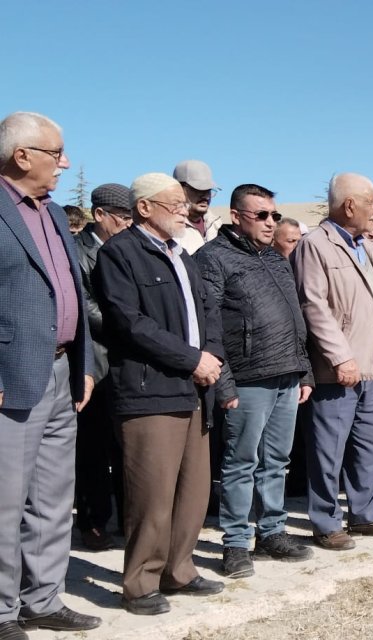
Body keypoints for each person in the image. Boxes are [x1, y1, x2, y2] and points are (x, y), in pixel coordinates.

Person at [94, 172, 226, 615]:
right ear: (144, 207)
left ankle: (179, 570)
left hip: (195, 389)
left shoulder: (180, 254)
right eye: (175, 202)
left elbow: (207, 312)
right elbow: (130, 324)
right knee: (151, 494)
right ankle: (140, 583)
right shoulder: (120, 253)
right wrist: (193, 359)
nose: (184, 209)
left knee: (193, 491)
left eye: (185, 203)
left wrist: (211, 356)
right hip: (150, 391)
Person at [0, 111, 101, 635]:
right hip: (11, 377)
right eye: (55, 152)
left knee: (53, 498)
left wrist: (83, 363)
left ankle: (43, 599)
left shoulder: (55, 214)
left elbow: (72, 293)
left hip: (63, 373)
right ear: (22, 156)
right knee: (4, 501)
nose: (64, 162)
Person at [195, 184, 315, 578]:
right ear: (236, 216)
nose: (270, 222)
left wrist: (305, 370)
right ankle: (234, 543)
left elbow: (296, 318)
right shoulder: (213, 259)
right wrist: (224, 384)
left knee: (277, 461)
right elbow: (208, 326)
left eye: (274, 215)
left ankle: (272, 532)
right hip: (246, 379)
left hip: (286, 374)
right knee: (240, 462)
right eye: (261, 215)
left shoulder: (277, 259)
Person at [293, 173, 373, 549]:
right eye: (371, 202)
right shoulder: (315, 245)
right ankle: (326, 522)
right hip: (337, 371)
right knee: (329, 448)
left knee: (371, 446)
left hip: (372, 366)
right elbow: (314, 305)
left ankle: (366, 514)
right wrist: (341, 357)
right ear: (349, 205)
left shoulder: (367, 247)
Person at [72, 183, 132, 553]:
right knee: (92, 447)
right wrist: (128, 325)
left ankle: (130, 516)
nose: (128, 224)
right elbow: (84, 306)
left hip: (129, 360)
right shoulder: (78, 252)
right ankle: (93, 521)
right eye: (122, 218)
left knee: (127, 445)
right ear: (99, 215)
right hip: (96, 359)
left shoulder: (129, 249)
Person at [172, 160, 221, 254]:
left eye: (208, 190)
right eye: (199, 189)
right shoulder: (169, 228)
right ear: (179, 188)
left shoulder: (217, 226)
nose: (206, 196)